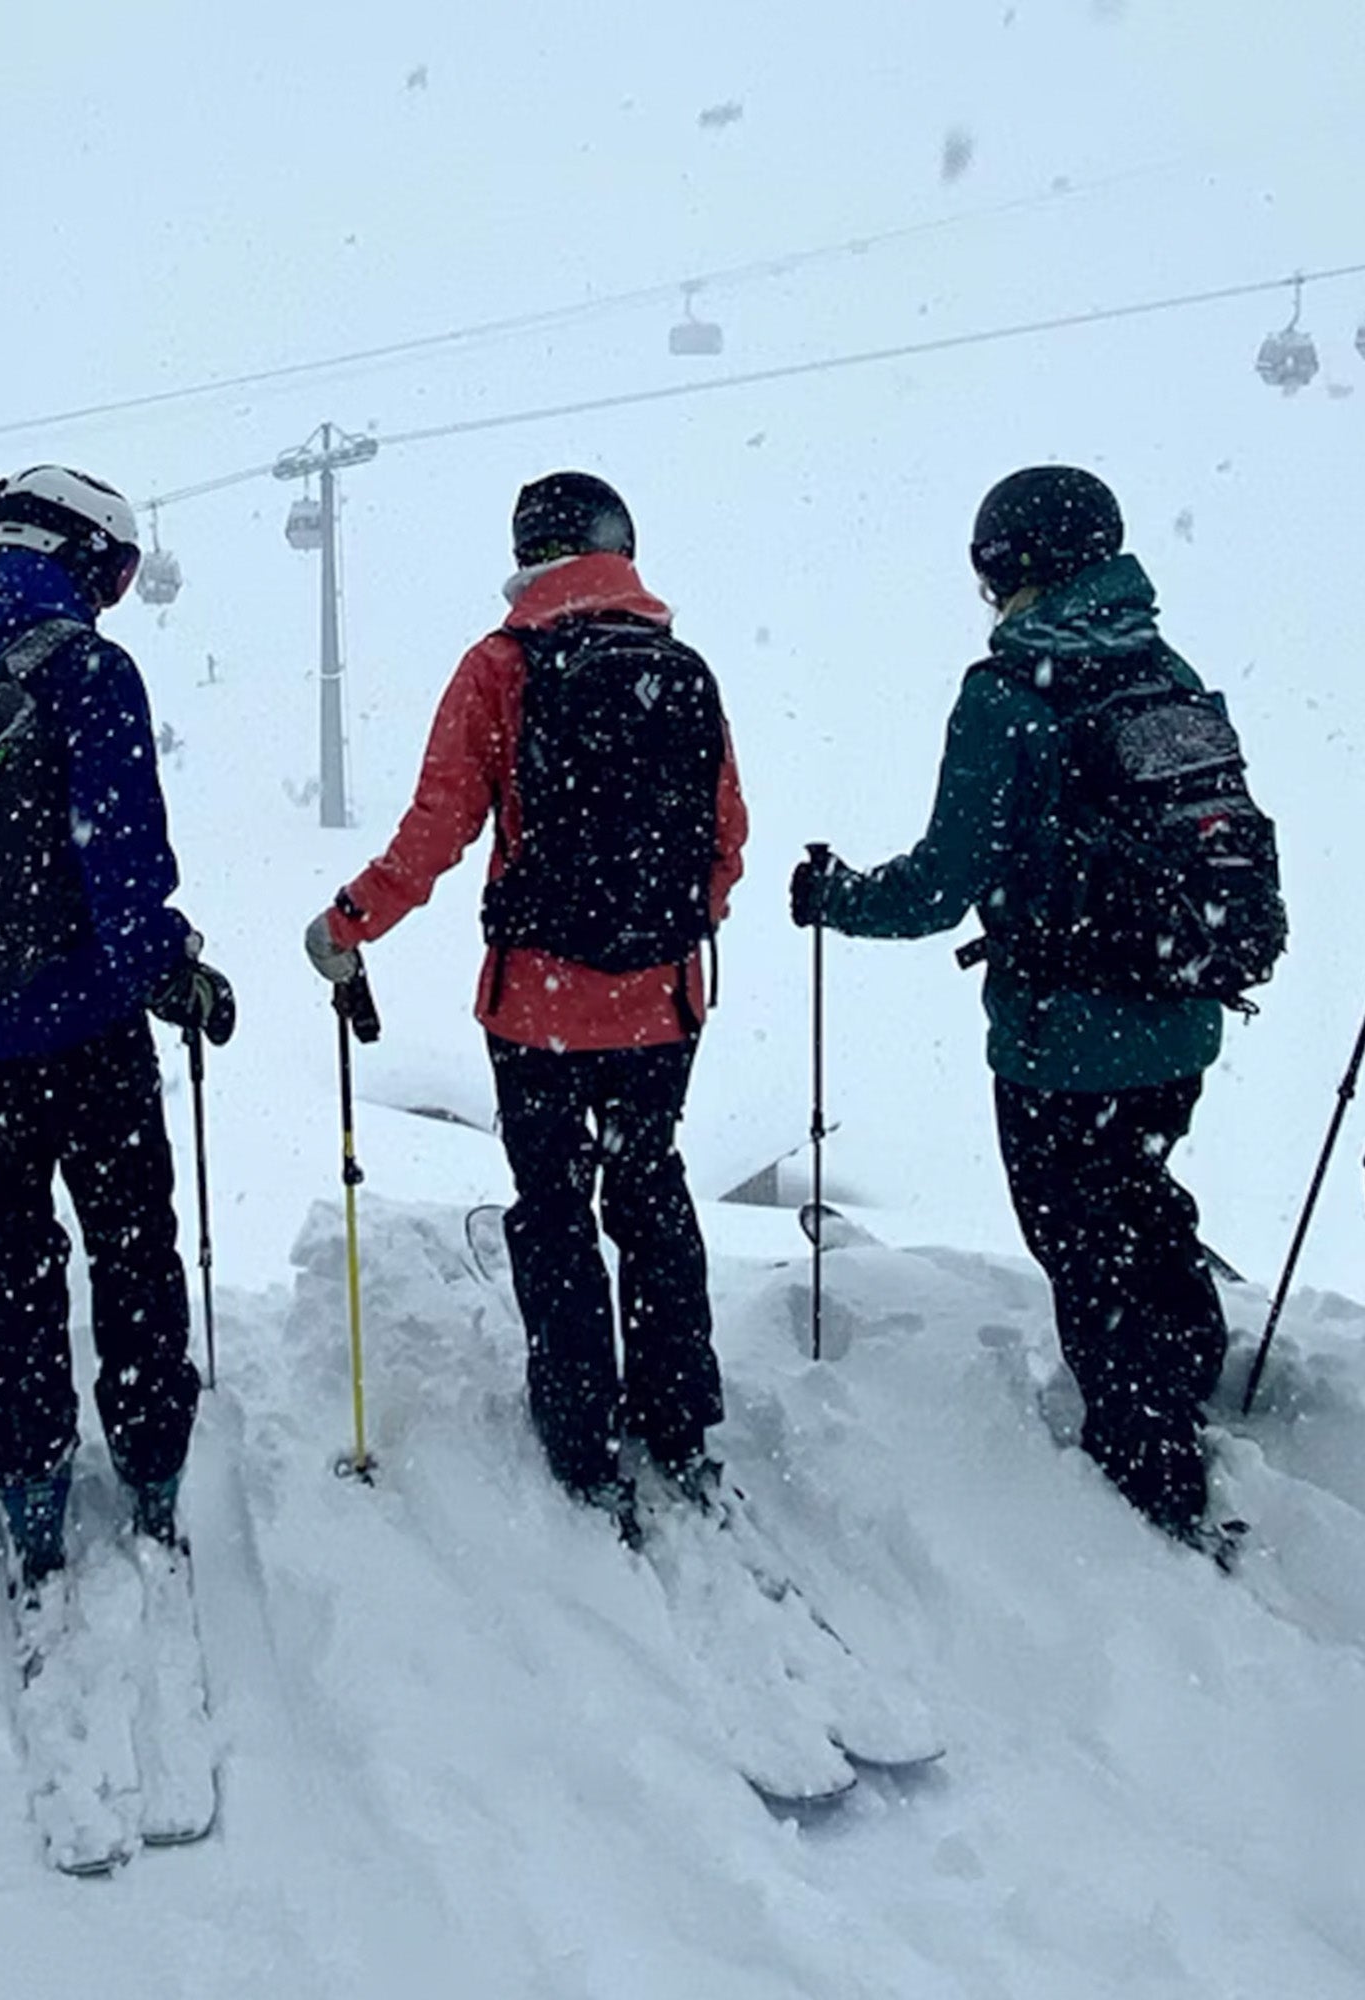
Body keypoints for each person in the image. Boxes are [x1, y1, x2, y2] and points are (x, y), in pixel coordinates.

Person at [791, 465, 1241, 1543]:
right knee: (1133, 1189)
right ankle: (1184, 1365)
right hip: (1178, 1014)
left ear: (1006, 566)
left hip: (1059, 1038)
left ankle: (1147, 1475)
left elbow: (941, 882)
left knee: (1080, 1240)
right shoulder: (1163, 671)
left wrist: (837, 898)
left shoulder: (1006, 693)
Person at [304, 471, 748, 1533]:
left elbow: (437, 828)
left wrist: (347, 921)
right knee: (649, 1192)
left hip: (535, 1008)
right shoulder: (680, 668)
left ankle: (580, 1431)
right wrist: (669, 934)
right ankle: (679, 1418)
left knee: (553, 1209)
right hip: (660, 1007)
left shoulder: (500, 666)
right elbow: (724, 840)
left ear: (524, 552)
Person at [0, 465, 232, 1602]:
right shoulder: (89, 670)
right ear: (86, 558)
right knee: (129, 1238)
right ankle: (150, 1458)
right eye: (114, 573)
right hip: (78, 1019)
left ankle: (28, 1478)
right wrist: (171, 969)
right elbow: (123, 866)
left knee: (8, 1246)